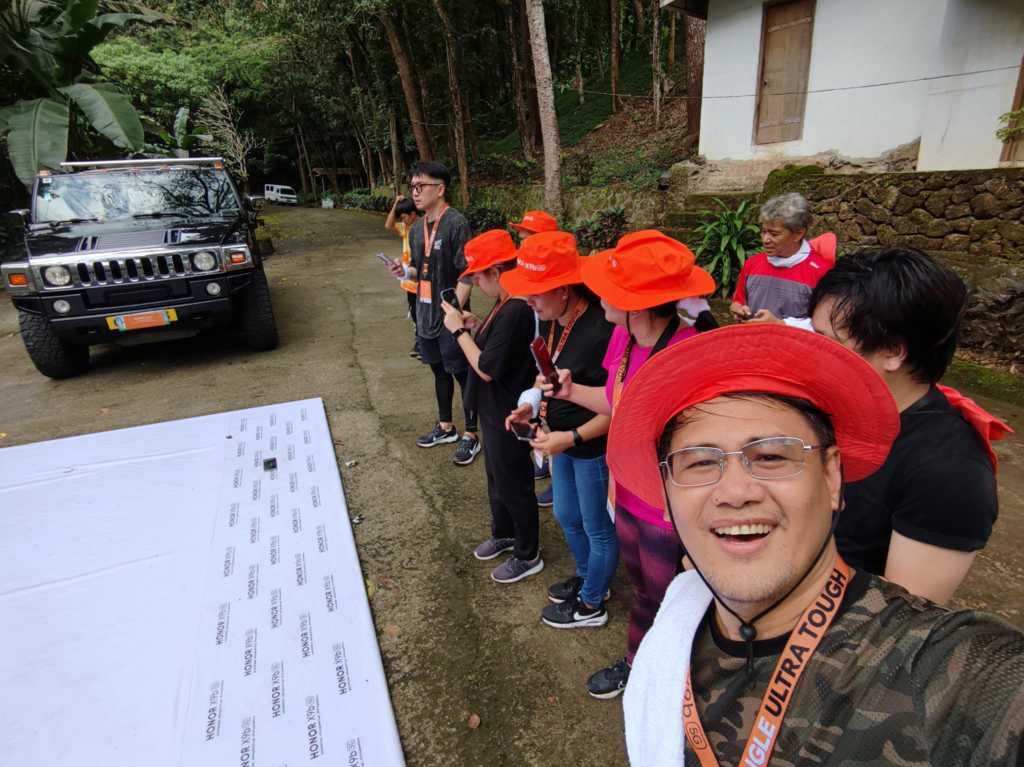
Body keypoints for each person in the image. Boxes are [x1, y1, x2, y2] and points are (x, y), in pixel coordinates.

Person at [607, 323, 1024, 766]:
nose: (735, 491)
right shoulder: (679, 621)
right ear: (667, 497)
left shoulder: (949, 671)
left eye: (771, 456)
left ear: (831, 477)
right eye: (700, 463)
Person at [537, 230, 716, 699]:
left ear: (636, 305)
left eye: (609, 289)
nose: (597, 294)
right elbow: (616, 400)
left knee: (667, 597)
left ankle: (665, 679)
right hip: (627, 491)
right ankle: (641, 664)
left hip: (665, 506)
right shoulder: (625, 336)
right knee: (642, 589)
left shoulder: (686, 354)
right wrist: (570, 391)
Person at [807, 248, 1011, 604]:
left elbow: (902, 613)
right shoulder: (831, 409)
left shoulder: (950, 472)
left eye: (829, 343)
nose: (811, 354)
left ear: (892, 351)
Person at [501, 231, 618, 628]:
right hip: (560, 441)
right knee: (567, 515)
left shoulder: (603, 329)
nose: (529, 301)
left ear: (565, 289)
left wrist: (572, 437)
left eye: (536, 293)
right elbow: (547, 376)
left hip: (591, 445)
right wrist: (529, 404)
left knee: (597, 527)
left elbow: (620, 405)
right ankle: (590, 580)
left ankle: (592, 605)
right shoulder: (551, 320)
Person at [440, 229, 545, 584]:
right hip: (492, 407)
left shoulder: (516, 308)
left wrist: (459, 332)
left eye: (477, 276)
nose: (474, 283)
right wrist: (475, 326)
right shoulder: (504, 301)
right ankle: (505, 532)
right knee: (496, 477)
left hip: (508, 410)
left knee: (513, 481)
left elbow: (486, 368)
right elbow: (496, 345)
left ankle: (528, 552)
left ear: (497, 271)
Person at [386, 161, 480, 465]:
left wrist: (454, 312)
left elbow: (467, 273)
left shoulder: (456, 223)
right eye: (412, 186)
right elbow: (418, 269)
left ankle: (471, 434)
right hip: (424, 315)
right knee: (439, 371)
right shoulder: (415, 229)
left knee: (462, 374)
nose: (414, 192)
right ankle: (445, 427)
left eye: (420, 186)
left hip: (450, 319)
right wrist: (403, 272)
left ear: (440, 189)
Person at [730, 192, 830, 326]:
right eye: (763, 231)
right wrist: (739, 312)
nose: (765, 240)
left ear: (798, 234)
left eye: (774, 234)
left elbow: (826, 324)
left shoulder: (822, 272)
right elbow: (738, 302)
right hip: (752, 338)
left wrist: (780, 323)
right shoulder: (752, 264)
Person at [384, 196, 421, 358]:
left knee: (425, 312)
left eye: (404, 217)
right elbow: (388, 225)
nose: (402, 221)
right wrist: (395, 204)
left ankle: (425, 343)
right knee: (415, 313)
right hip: (409, 280)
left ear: (412, 214)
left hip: (424, 280)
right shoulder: (406, 228)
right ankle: (419, 342)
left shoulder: (424, 228)